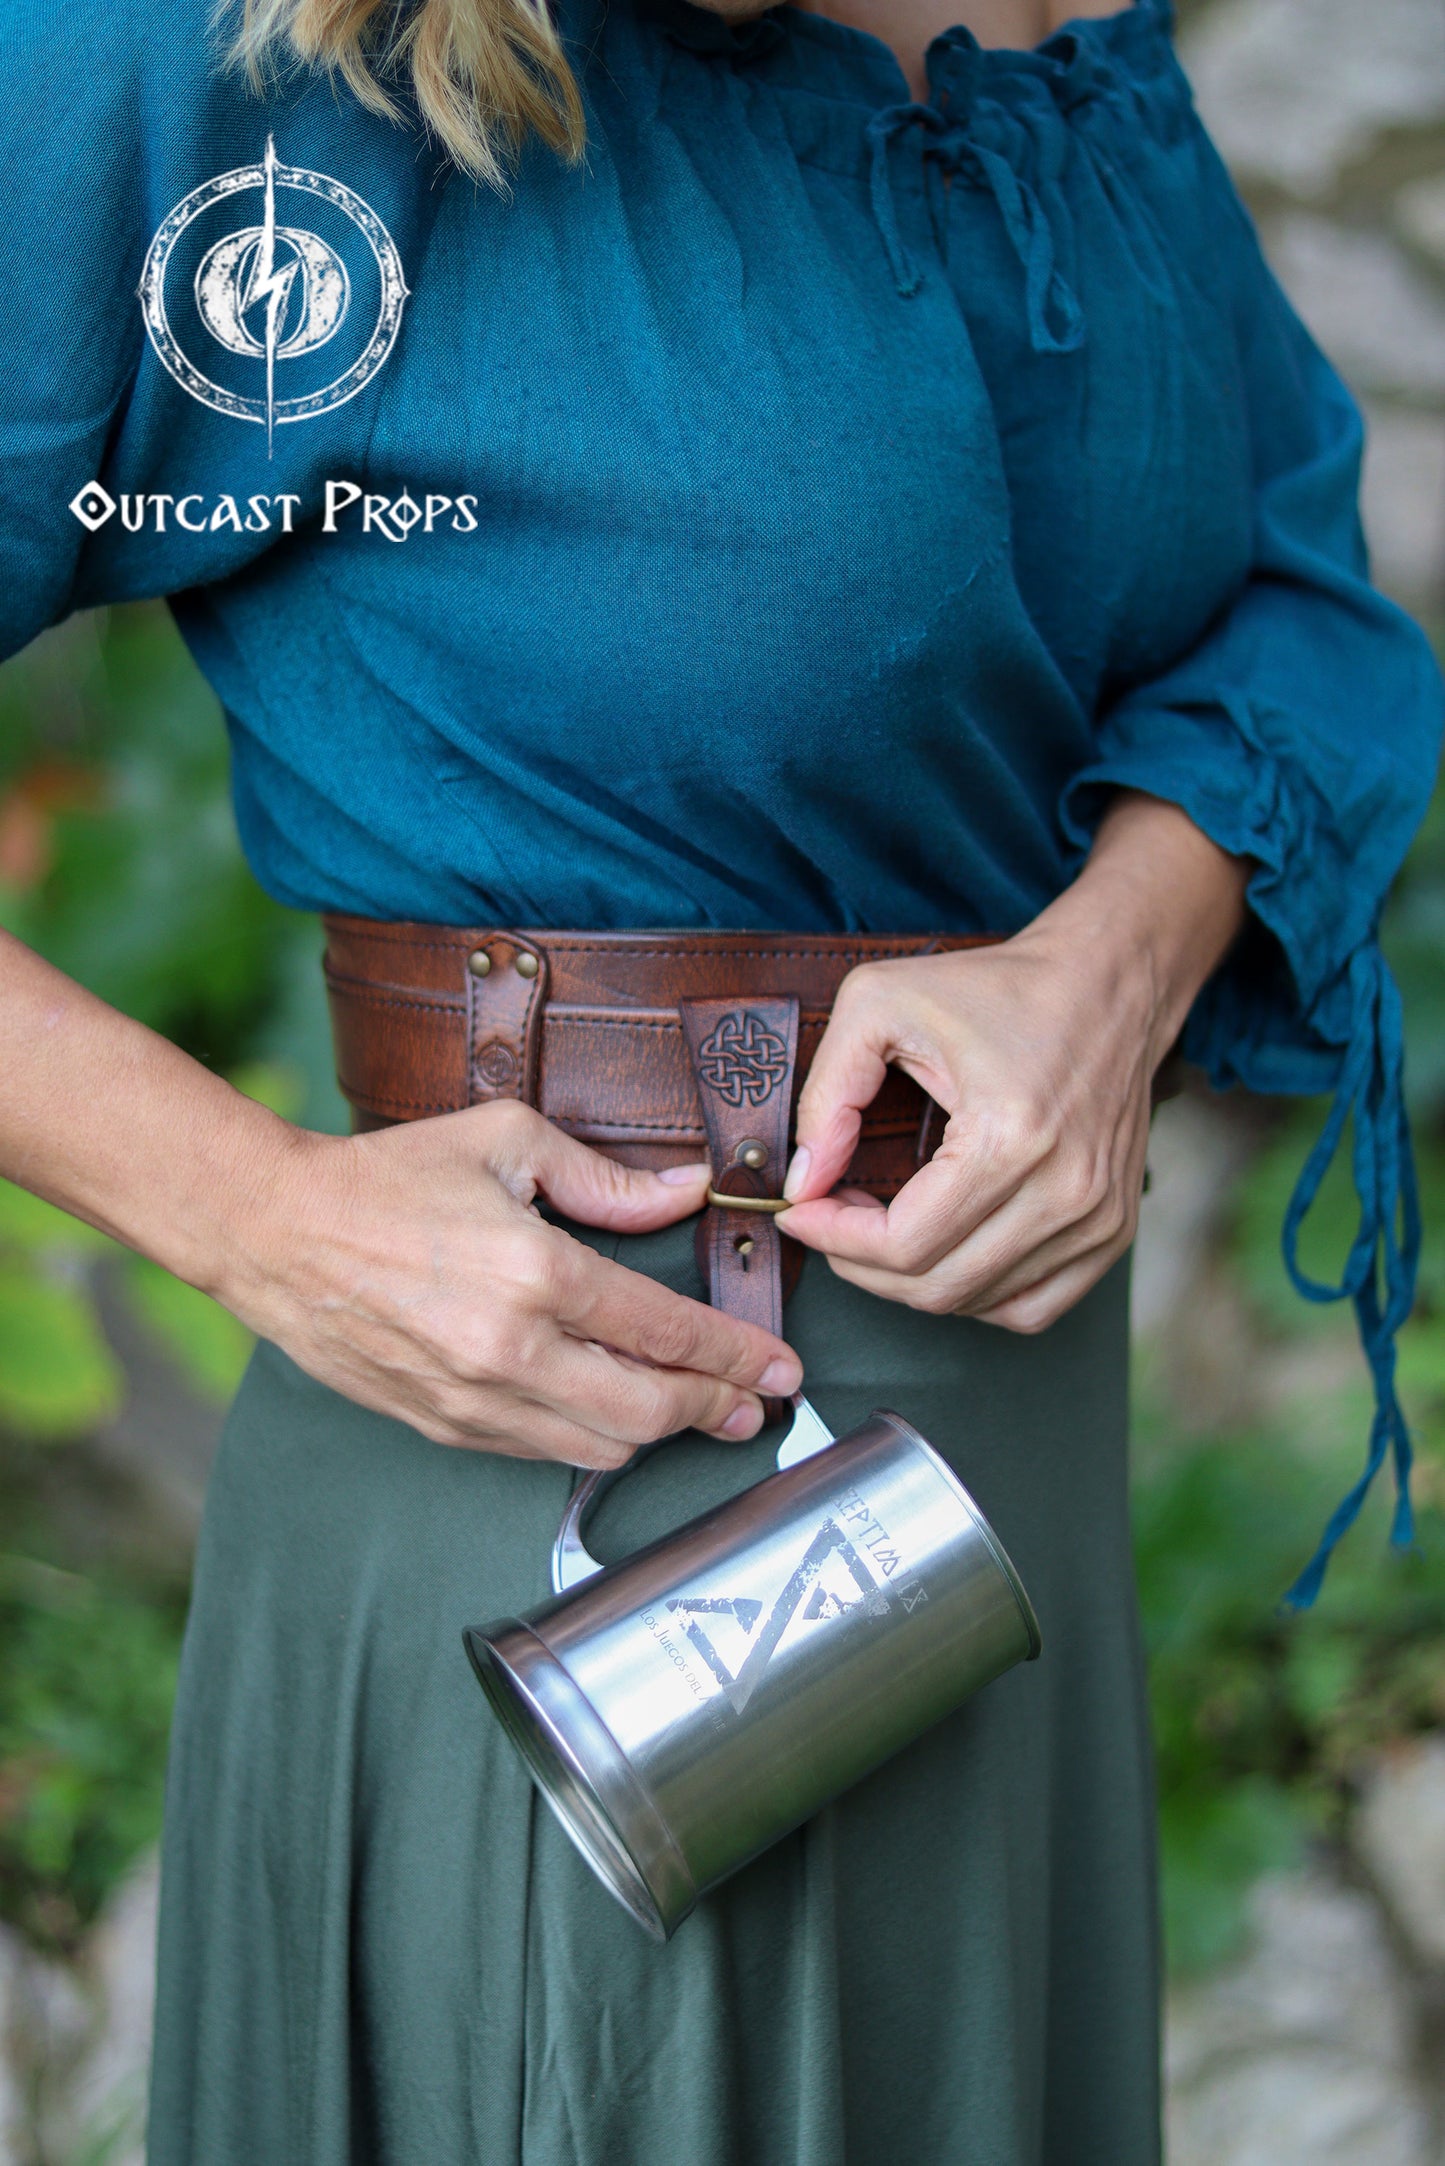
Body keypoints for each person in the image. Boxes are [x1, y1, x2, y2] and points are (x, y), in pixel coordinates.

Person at [0, 0, 1439, 2156]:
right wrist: (254, 1218)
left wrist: (1114, 969)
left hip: (996, 1503)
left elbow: (1286, 584)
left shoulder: (1060, 41)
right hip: (546, 1498)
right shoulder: (211, 56)